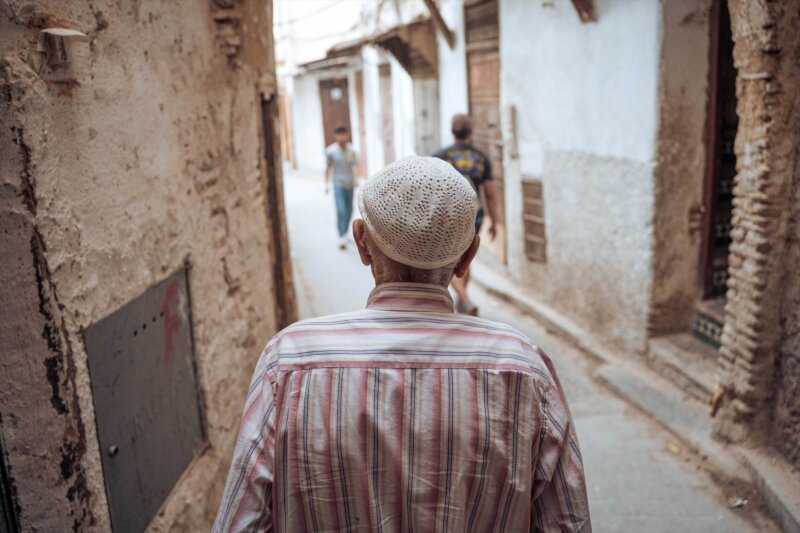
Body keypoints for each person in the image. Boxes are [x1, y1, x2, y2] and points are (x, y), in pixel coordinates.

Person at [213, 156, 591, 533]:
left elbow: (240, 523)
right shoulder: (524, 367)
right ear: (467, 258)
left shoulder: (289, 360)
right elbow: (567, 524)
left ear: (362, 242)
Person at [434, 113, 498, 316]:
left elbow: (432, 189)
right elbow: (489, 193)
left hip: (447, 214)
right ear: (471, 131)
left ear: (452, 131)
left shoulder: (440, 156)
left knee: (449, 259)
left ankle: (464, 298)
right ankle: (463, 299)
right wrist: (494, 220)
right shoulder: (481, 158)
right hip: (474, 214)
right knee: (465, 257)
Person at [325, 124, 359, 250]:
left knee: (350, 210)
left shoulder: (351, 150)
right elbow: (328, 168)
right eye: (339, 134)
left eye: (344, 134)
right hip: (338, 184)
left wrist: (356, 179)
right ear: (335, 135)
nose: (342, 137)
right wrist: (326, 184)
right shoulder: (330, 151)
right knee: (341, 210)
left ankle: (345, 232)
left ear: (347, 135)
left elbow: (354, 165)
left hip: (349, 184)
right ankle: (341, 236)